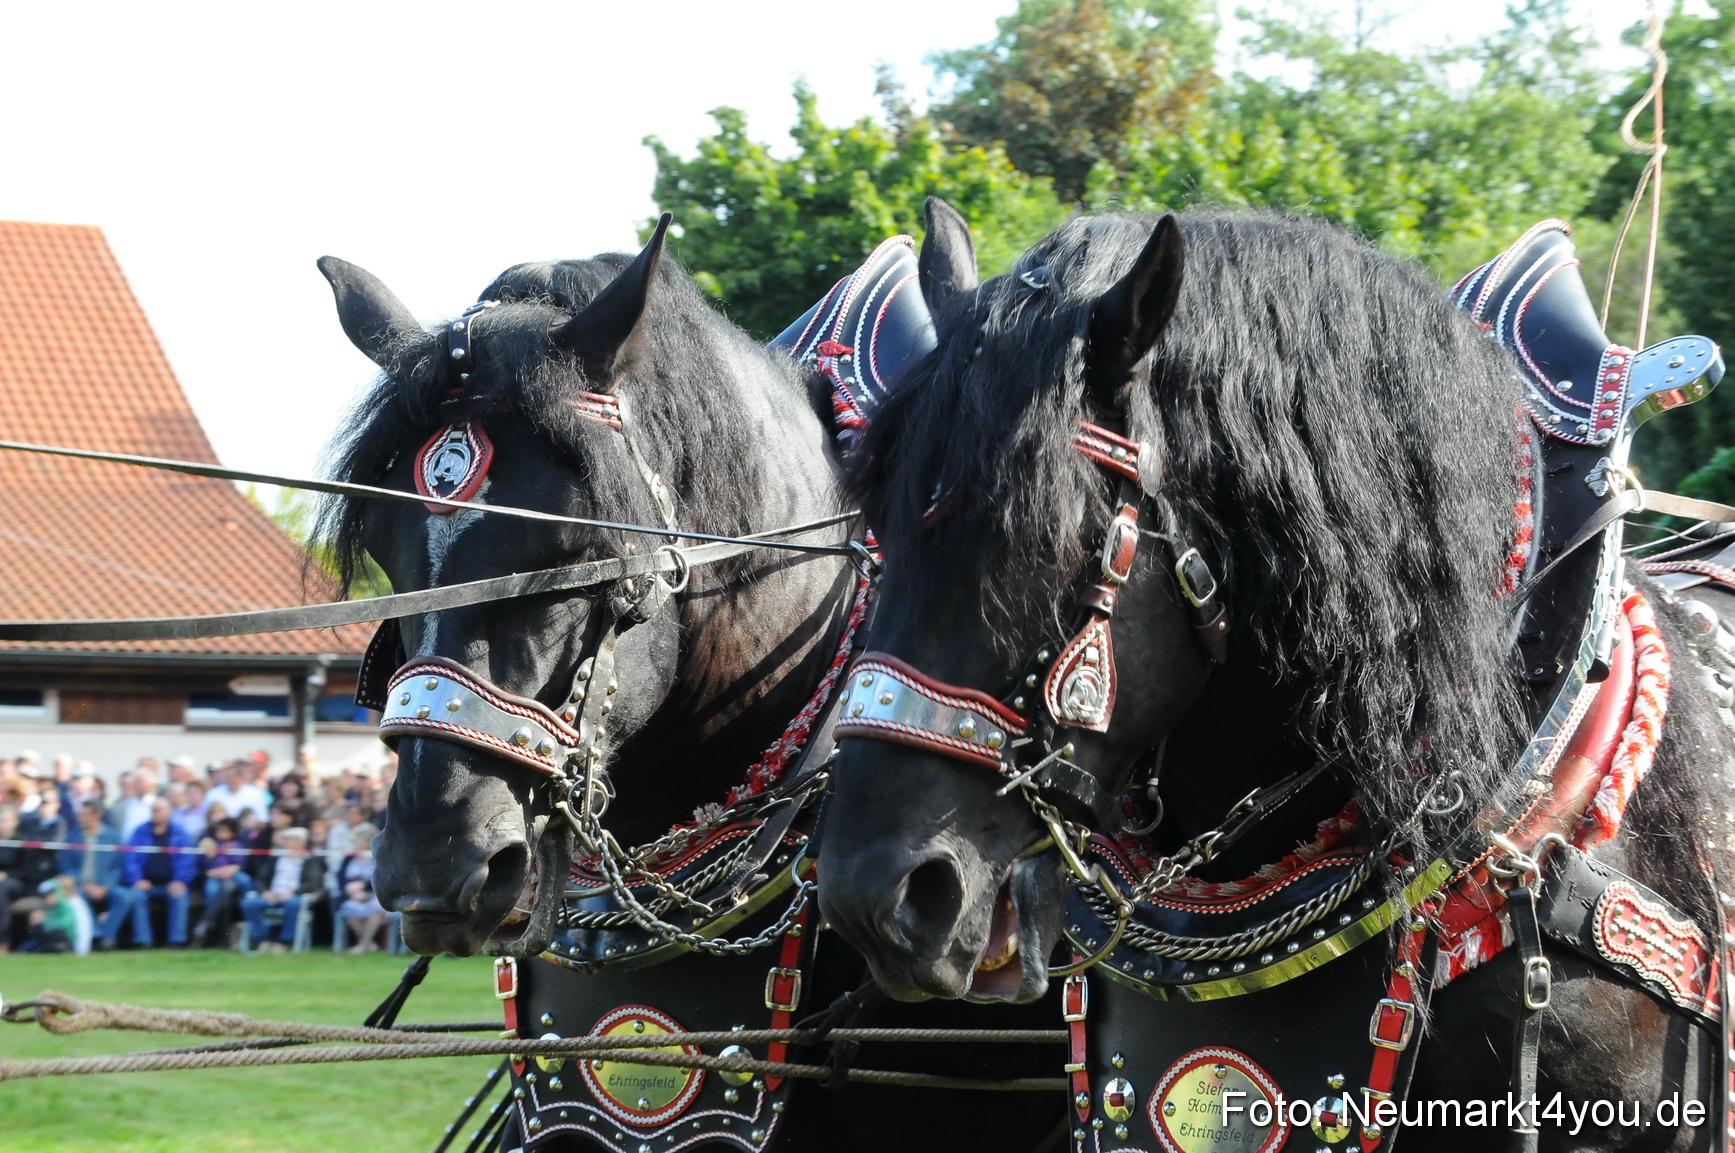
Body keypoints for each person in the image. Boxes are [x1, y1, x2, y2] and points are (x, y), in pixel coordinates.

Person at [58, 798, 133, 950]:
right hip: (81, 886)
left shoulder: (113, 837)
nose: (80, 818)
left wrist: (106, 886)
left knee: (124, 898)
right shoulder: (73, 837)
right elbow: (66, 866)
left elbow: (117, 867)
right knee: (79, 896)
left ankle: (107, 937)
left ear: (97, 815)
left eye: (84, 815)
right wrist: (84, 884)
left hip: (106, 886)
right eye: (79, 815)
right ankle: (95, 935)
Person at [121, 797, 195, 947]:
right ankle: (143, 940)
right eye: (153, 810)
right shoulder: (140, 832)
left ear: (168, 812)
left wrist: (180, 880)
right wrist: (136, 880)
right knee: (136, 895)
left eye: (158, 810)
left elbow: (187, 859)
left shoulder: (179, 833)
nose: (154, 813)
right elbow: (131, 859)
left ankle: (177, 941)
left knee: (180, 896)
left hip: (172, 883)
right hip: (145, 884)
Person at [239, 827, 322, 954]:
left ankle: (285, 941)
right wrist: (265, 892)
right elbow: (261, 878)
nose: (286, 843)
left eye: (289, 840)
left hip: (293, 896)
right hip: (272, 895)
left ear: (300, 842)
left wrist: (293, 893)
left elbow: (312, 882)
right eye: (285, 840)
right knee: (248, 903)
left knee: (293, 904)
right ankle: (262, 938)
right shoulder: (276, 858)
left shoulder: (309, 860)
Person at [192, 818, 251, 947]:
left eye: (225, 830)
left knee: (245, 880)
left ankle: (248, 903)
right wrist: (210, 857)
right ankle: (210, 919)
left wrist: (229, 870)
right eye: (219, 830)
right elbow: (205, 865)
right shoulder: (210, 844)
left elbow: (239, 864)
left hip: (232, 875)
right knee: (211, 891)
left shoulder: (237, 845)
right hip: (214, 875)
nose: (221, 832)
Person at [0, 804, 28, 950]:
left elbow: (27, 871)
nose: (2, 823)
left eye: (5, 820)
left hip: (16, 884)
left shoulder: (21, 842)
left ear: (15, 822)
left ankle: (2, 941)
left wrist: (6, 875)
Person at [23, 878, 74, 953]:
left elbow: (65, 924)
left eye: (49, 896)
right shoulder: (46, 908)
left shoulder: (67, 906)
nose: (47, 899)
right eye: (44, 897)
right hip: (47, 940)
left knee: (50, 931)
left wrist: (45, 921)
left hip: (65, 941)